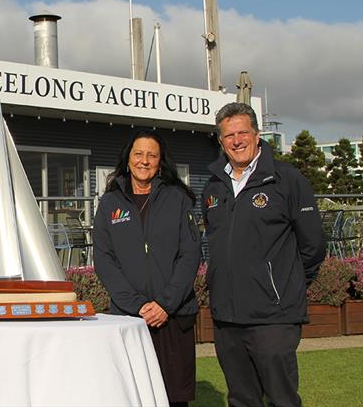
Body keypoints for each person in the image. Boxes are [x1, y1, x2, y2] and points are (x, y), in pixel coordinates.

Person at [202, 102, 326, 407]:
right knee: (242, 400)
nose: (237, 140)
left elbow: (313, 245)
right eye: (228, 135)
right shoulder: (213, 187)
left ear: (257, 135)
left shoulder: (287, 180)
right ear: (221, 142)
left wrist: (285, 286)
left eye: (243, 132)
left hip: (273, 316)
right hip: (227, 317)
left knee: (281, 399)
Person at [94, 129, 201, 407]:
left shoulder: (178, 199)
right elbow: (105, 259)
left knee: (174, 399)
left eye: (152, 155)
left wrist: (165, 304)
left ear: (160, 161)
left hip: (173, 316)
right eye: (138, 154)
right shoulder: (109, 203)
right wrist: (138, 305)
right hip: (130, 319)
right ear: (128, 159)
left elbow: (189, 255)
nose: (144, 160)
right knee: (133, 396)